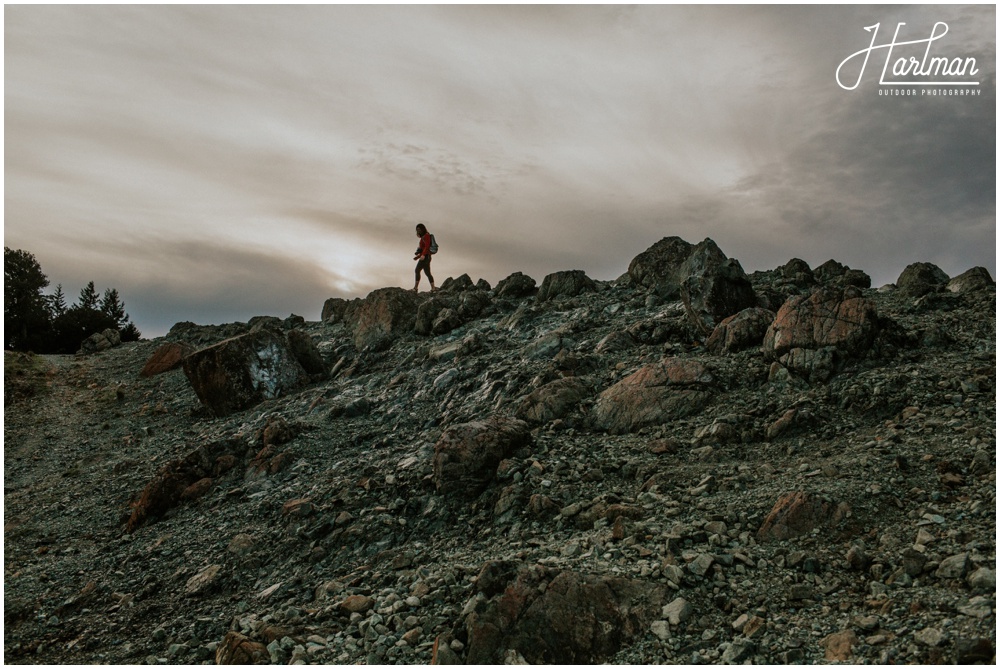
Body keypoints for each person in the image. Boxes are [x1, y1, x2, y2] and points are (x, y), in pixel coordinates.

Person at [413, 223, 435, 293]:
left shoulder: (426, 236)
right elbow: (423, 249)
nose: (418, 231)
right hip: (426, 256)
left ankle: (415, 288)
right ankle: (433, 289)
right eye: (417, 230)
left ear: (422, 229)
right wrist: (417, 256)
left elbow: (427, 246)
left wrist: (422, 255)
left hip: (426, 257)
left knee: (417, 270)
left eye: (419, 229)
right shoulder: (422, 238)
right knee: (427, 273)